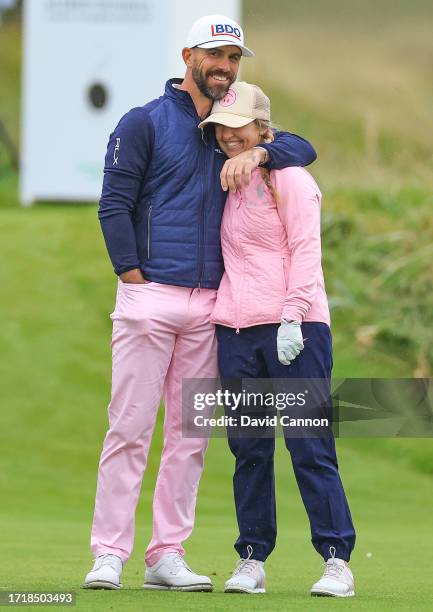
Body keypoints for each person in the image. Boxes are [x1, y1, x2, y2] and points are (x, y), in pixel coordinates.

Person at [82, 14, 317, 592]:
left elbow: (300, 146)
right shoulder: (144, 122)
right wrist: (133, 279)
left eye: (234, 59)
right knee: (130, 430)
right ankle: (109, 552)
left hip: (213, 306)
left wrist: (261, 155)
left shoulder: (234, 124)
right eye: (216, 56)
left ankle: (167, 553)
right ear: (189, 55)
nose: (225, 67)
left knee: (190, 435)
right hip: (151, 295)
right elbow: (114, 206)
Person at [199, 81, 356, 597]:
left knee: (310, 446)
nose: (227, 136)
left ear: (262, 127)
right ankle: (251, 558)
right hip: (237, 331)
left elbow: (306, 251)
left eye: (237, 125)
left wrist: (292, 316)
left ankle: (337, 560)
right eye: (220, 127)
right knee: (249, 449)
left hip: (297, 328)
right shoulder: (223, 176)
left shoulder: (289, 177)